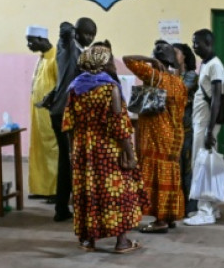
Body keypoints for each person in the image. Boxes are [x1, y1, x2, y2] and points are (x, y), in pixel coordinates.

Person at [62, 44, 143, 253]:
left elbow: (69, 124)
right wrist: (130, 154)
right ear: (101, 64)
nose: (111, 63)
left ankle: (88, 240)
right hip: (108, 150)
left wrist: (74, 151)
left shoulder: (75, 88)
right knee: (116, 193)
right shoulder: (110, 89)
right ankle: (121, 242)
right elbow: (119, 127)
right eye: (108, 60)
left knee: (88, 191)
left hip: (83, 150)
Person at [123, 41, 188, 234]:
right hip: (175, 136)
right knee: (171, 175)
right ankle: (169, 216)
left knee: (157, 177)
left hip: (157, 136)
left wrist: (149, 60)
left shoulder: (154, 77)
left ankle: (160, 221)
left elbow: (127, 60)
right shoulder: (179, 83)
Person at [48, 17, 97, 222]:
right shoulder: (68, 48)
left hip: (69, 112)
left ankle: (65, 206)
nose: (90, 38)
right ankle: (61, 208)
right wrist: (69, 30)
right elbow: (64, 30)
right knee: (68, 161)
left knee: (70, 161)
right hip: (63, 112)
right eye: (86, 33)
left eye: (92, 35)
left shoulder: (82, 52)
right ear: (77, 32)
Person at [184, 29, 224, 226]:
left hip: (206, 123)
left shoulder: (215, 66)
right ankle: (213, 208)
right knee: (205, 164)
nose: (194, 46)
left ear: (208, 43)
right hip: (201, 122)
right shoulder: (207, 64)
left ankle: (205, 211)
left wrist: (210, 130)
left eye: (197, 43)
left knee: (202, 167)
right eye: (193, 43)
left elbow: (217, 98)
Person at [25, 26, 58, 201]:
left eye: (31, 41)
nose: (28, 45)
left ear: (42, 39)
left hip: (50, 112)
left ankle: (55, 190)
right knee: (39, 150)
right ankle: (42, 188)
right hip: (37, 112)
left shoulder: (55, 58)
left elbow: (60, 88)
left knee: (53, 150)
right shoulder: (42, 58)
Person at [172, 42, 199, 216]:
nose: (172, 55)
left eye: (176, 53)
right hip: (172, 129)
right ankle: (177, 205)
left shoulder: (190, 76)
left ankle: (191, 205)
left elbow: (178, 92)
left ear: (185, 57)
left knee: (187, 167)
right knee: (175, 168)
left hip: (186, 128)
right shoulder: (169, 75)